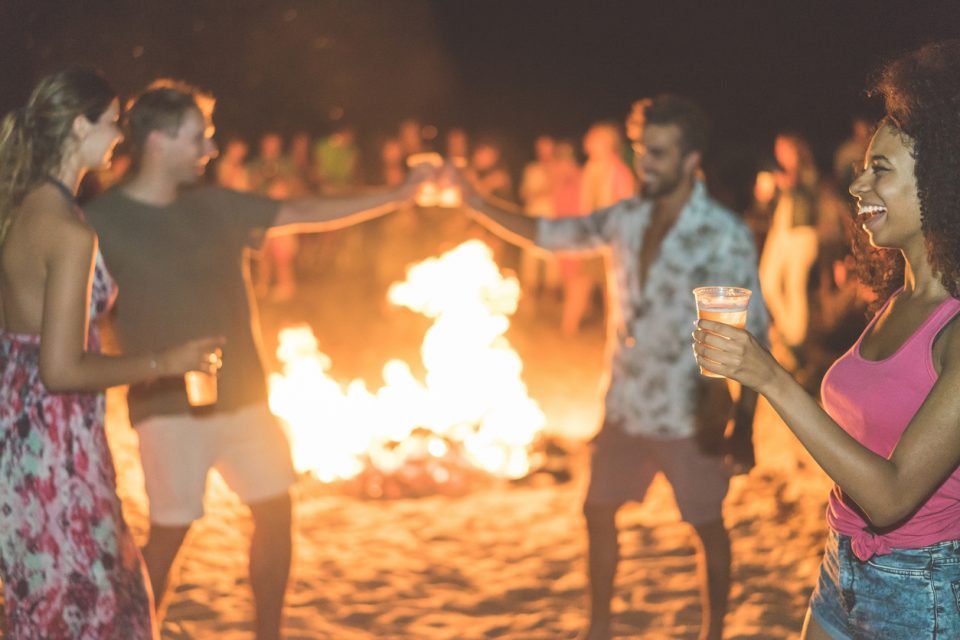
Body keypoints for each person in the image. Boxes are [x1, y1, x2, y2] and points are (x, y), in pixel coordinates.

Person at [83, 79, 423, 640]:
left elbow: (303, 209)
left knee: (275, 512)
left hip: (246, 396)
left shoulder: (216, 205)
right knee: (171, 532)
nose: (210, 150)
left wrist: (396, 194)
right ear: (160, 141)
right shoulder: (101, 225)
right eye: (200, 137)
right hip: (166, 407)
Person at [460, 94, 767, 640]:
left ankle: (713, 632)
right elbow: (548, 234)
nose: (645, 162)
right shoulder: (626, 218)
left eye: (660, 152)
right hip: (624, 406)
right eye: (641, 149)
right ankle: (598, 629)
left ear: (691, 158)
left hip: (689, 414)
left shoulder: (722, 234)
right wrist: (474, 202)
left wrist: (743, 428)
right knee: (597, 514)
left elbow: (751, 336)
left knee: (707, 526)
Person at [693, 40, 960, 639]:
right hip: (842, 566)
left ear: (944, 182)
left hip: (926, 592)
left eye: (880, 170)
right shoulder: (899, 299)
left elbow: (892, 498)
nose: (857, 183)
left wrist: (768, 378)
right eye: (863, 166)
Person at [0, 68, 220, 639]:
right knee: (93, 606)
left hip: (18, 437)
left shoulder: (20, 211)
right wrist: (165, 363)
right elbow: (61, 367)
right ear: (80, 127)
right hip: (54, 445)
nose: (120, 134)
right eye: (113, 121)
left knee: (48, 603)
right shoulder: (69, 232)